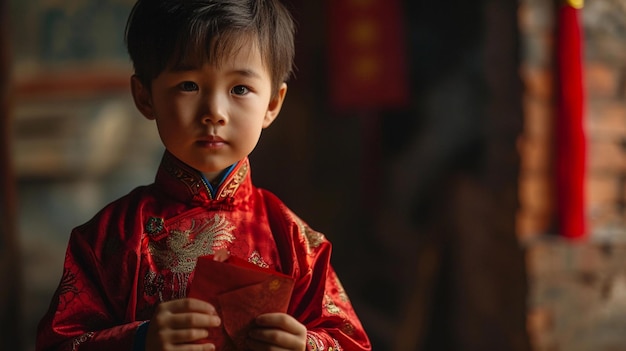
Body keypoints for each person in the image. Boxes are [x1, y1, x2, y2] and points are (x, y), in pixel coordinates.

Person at [35, 0, 372, 350]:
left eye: (240, 89)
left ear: (272, 104)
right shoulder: (108, 239)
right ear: (145, 96)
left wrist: (307, 346)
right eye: (188, 86)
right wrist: (138, 341)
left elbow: (349, 342)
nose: (214, 112)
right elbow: (57, 343)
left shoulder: (295, 241)